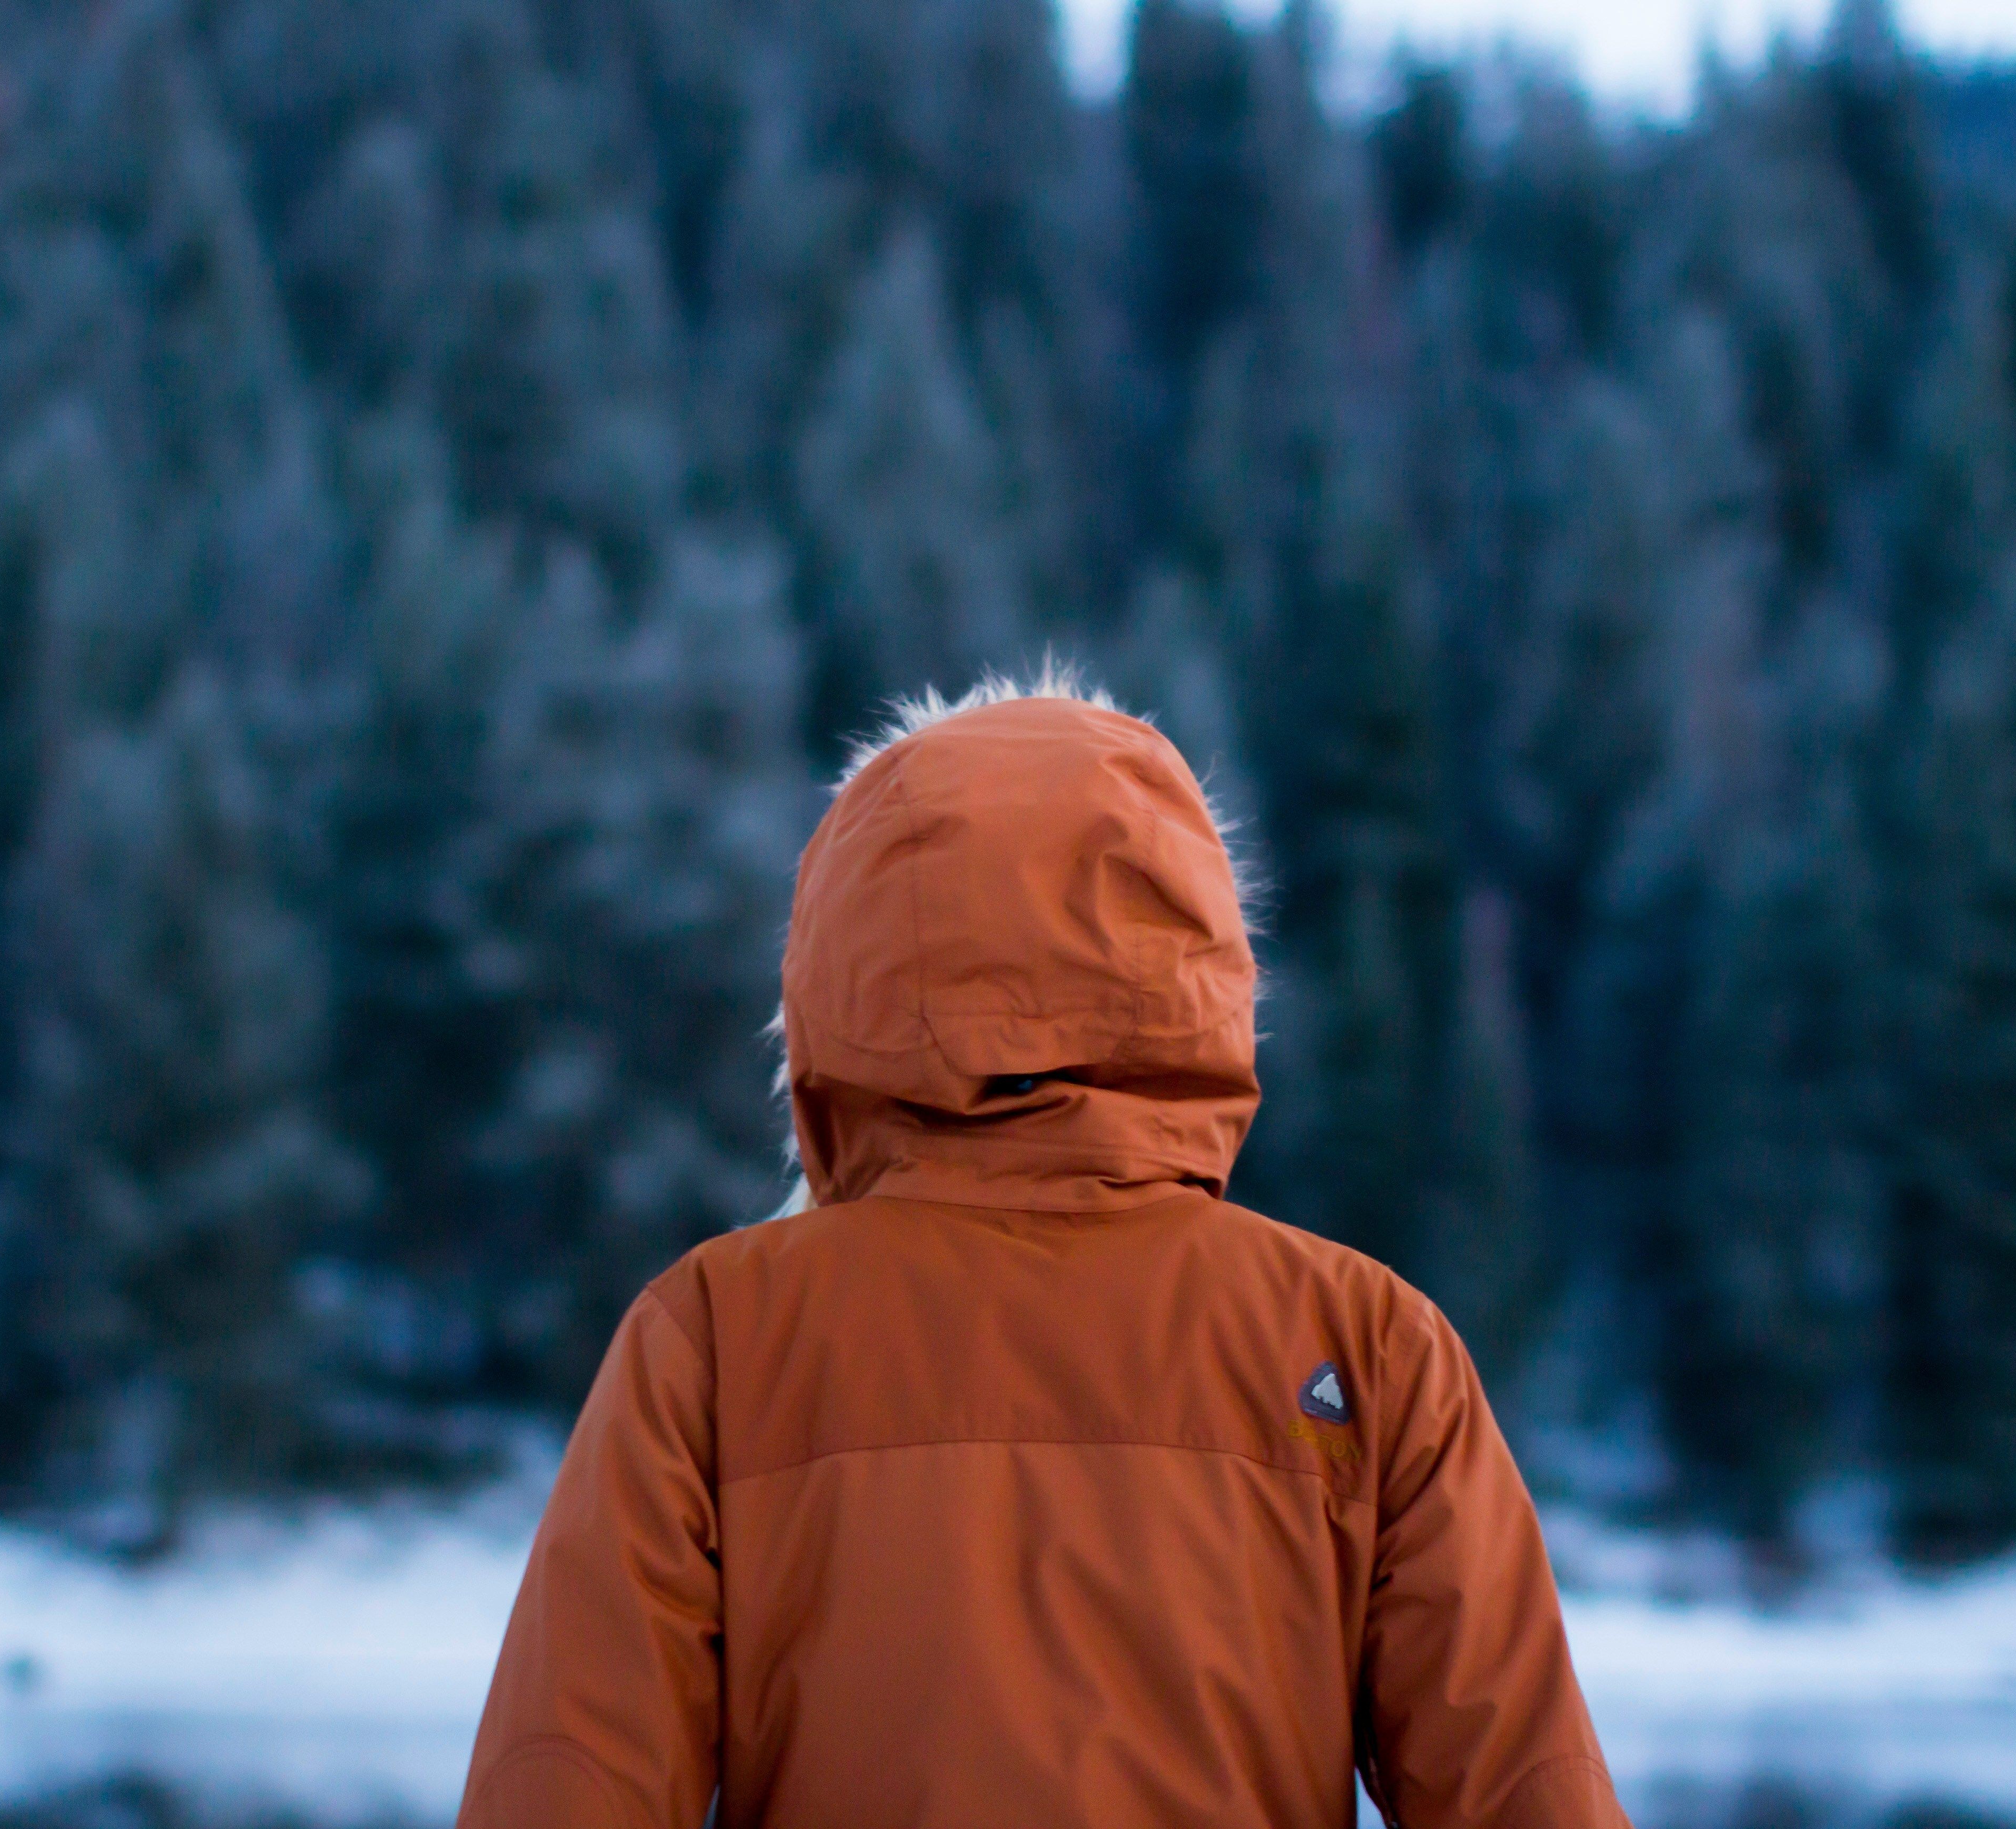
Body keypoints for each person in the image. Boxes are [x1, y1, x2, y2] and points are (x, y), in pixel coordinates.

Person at [458, 674, 1631, 1828]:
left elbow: (567, 1782)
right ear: (1199, 966)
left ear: (841, 973)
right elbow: (1525, 1796)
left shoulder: (717, 1335)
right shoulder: (1365, 1341)